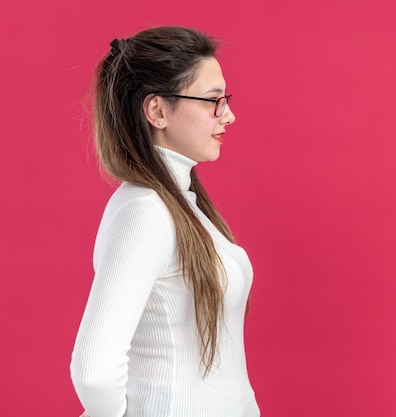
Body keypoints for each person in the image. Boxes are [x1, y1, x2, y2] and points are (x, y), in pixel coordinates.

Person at [70, 26, 260, 417]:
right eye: (213, 101)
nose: (229, 114)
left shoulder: (180, 206)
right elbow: (94, 372)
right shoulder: (145, 212)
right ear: (157, 111)